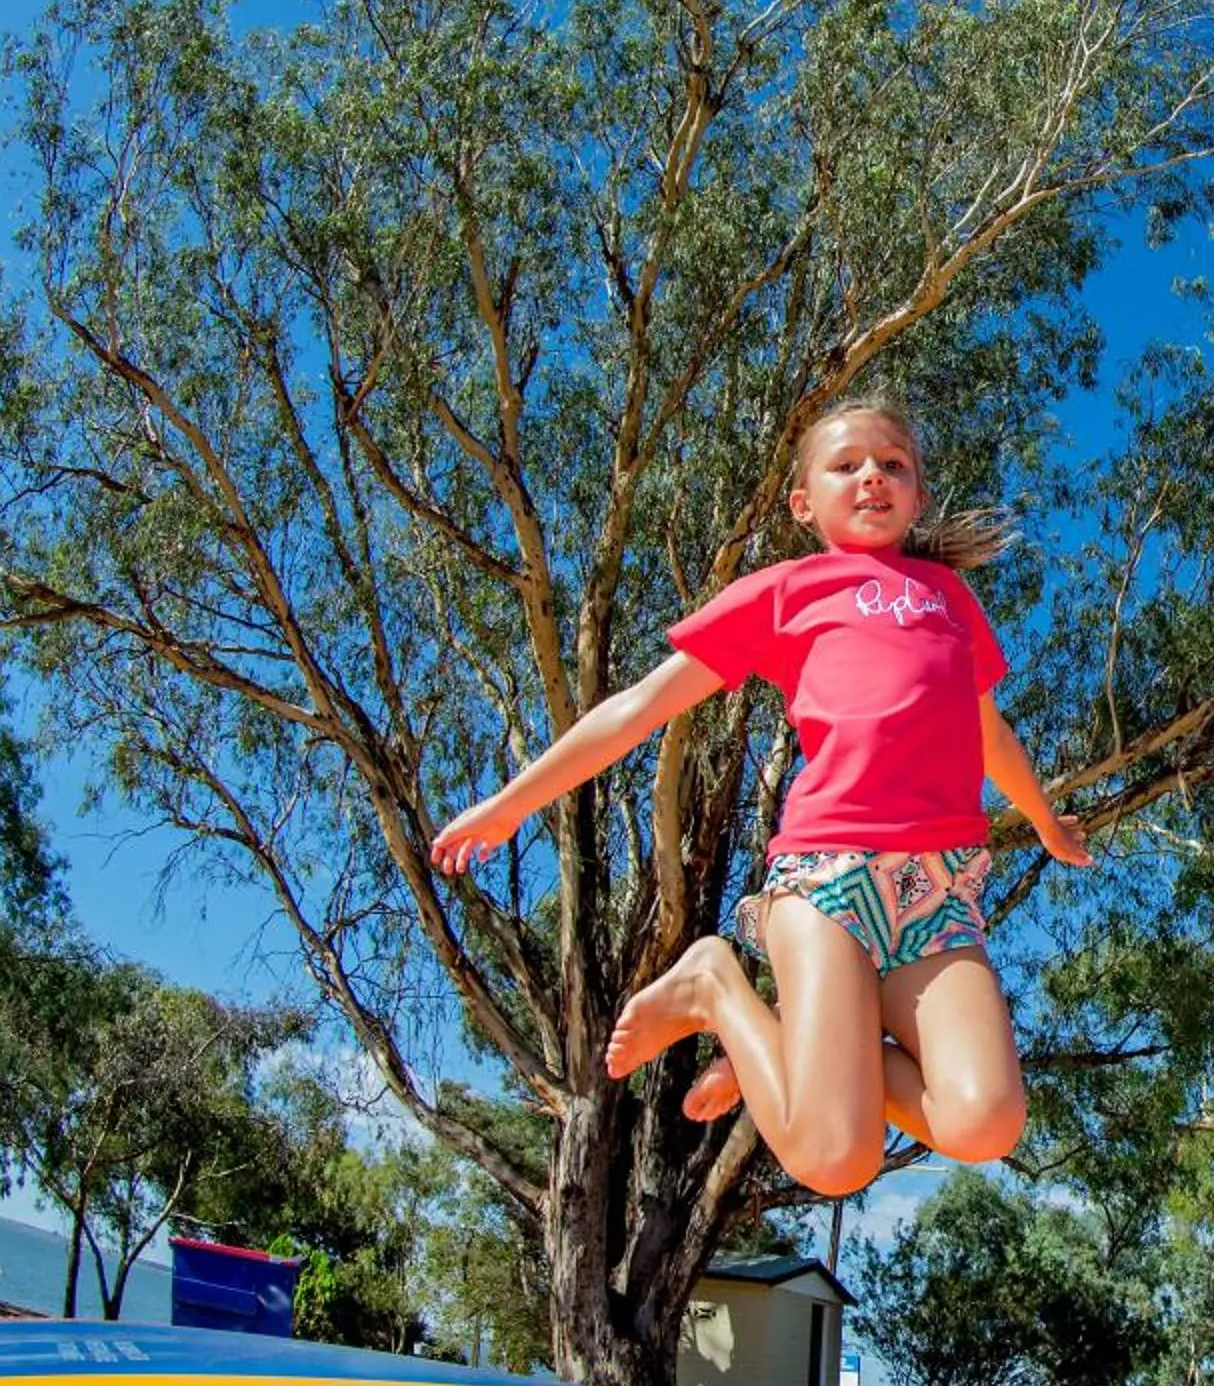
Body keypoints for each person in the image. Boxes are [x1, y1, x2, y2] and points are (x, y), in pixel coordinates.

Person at [430, 398, 1088, 1195]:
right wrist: (509, 804)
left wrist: (1045, 820)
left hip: (939, 888)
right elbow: (639, 707)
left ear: (916, 496)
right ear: (804, 502)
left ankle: (802, 1041)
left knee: (984, 1123)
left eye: (894, 464)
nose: (873, 475)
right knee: (835, 1161)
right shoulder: (786, 592)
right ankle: (714, 984)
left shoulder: (950, 600)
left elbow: (989, 731)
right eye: (847, 465)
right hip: (828, 876)